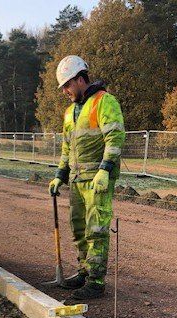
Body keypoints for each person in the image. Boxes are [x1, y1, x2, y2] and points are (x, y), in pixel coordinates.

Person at [49, 56, 125, 300]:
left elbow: (114, 137)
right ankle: (84, 271)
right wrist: (60, 175)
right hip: (76, 180)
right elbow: (66, 147)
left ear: (80, 80)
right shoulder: (70, 112)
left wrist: (105, 169)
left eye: (67, 85)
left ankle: (96, 281)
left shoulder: (104, 102)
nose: (64, 91)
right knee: (79, 229)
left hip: (97, 180)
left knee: (97, 229)